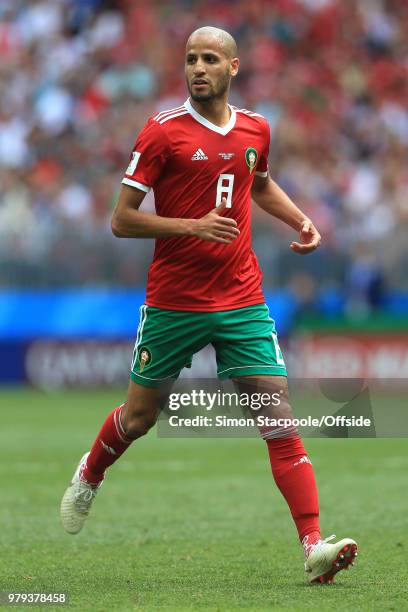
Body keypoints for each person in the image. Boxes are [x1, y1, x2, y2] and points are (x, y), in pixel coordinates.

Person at [60, 26, 357, 584]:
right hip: (174, 300)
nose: (198, 67)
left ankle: (314, 544)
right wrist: (188, 225)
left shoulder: (256, 128)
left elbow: (258, 182)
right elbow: (121, 219)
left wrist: (301, 219)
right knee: (140, 418)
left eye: (210, 58)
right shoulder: (162, 133)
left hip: (241, 296)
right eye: (191, 58)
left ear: (234, 67)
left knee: (278, 420)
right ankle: (91, 471)